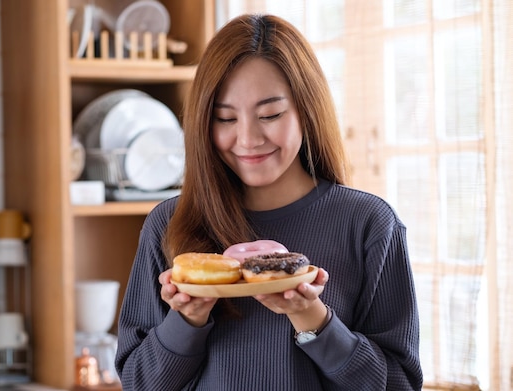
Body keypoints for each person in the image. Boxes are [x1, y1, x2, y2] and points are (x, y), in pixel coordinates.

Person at [115, 13, 423, 390]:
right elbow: (138, 383)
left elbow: (399, 385)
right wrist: (187, 320)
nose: (247, 139)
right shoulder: (170, 223)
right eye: (225, 118)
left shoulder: (368, 223)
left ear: (306, 110)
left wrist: (312, 318)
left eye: (270, 114)